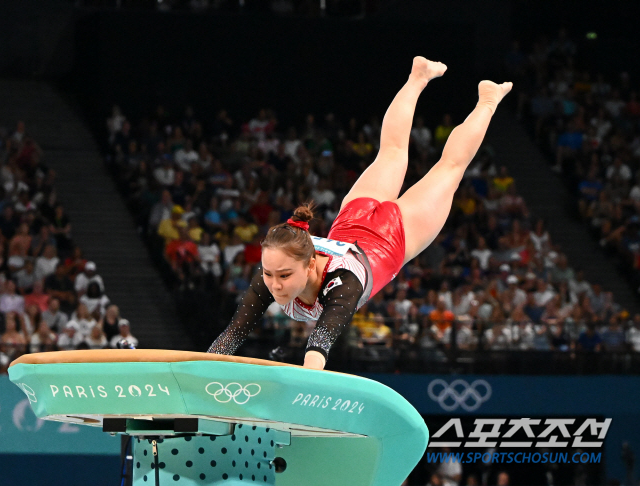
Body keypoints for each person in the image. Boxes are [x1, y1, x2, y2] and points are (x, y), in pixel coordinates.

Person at [208, 56, 512, 369]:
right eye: (269, 274)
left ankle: (488, 99)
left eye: (284, 276)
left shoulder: (344, 282)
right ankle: (418, 77)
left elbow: (321, 342)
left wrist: (301, 393)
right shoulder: (273, 269)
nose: (274, 284)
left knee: (449, 167)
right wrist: (202, 373)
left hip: (394, 235)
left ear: (311, 263)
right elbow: (233, 333)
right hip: (354, 217)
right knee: (391, 151)